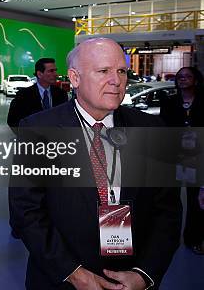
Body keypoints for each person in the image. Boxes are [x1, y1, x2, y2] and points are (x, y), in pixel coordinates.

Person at [9, 38, 181, 290]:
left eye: (121, 71)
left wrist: (144, 274)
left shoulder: (152, 128)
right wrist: (76, 275)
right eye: (103, 71)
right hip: (62, 280)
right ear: (74, 78)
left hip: (131, 278)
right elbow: (26, 212)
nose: (117, 80)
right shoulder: (38, 130)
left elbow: (167, 211)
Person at [160, 66, 204, 255]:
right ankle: (167, 238)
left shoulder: (203, 102)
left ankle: (193, 238)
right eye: (180, 77)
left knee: (196, 200)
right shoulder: (170, 103)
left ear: (196, 80)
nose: (183, 79)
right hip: (174, 156)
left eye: (187, 76)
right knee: (169, 198)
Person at [7, 57, 69, 135]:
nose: (55, 74)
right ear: (39, 74)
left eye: (55, 70)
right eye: (51, 71)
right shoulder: (23, 95)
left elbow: (66, 119)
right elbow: (12, 121)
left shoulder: (61, 94)